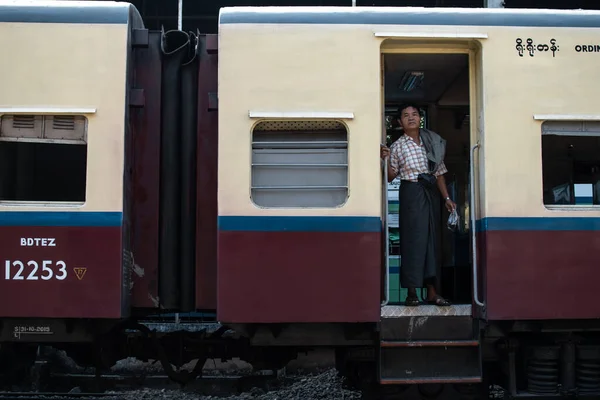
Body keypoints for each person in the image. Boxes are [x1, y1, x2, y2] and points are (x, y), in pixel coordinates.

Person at [380, 104, 456, 307]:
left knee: (432, 242)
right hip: (411, 193)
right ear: (400, 122)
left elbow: (439, 173)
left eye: (414, 114)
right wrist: (385, 159)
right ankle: (412, 292)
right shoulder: (398, 146)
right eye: (406, 115)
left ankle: (432, 292)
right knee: (413, 241)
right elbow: (390, 177)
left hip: (430, 192)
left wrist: (447, 199)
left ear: (420, 119)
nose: (411, 118)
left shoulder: (430, 142)